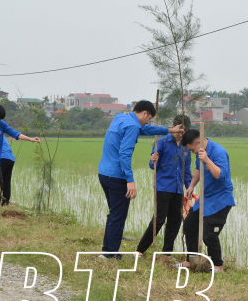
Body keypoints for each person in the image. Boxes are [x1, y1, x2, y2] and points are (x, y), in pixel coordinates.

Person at [97, 100, 184, 259]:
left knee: (114, 214)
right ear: (144, 113)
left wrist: (170, 130)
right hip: (117, 176)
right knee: (118, 215)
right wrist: (130, 180)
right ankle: (110, 254)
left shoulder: (120, 118)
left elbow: (147, 129)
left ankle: (107, 250)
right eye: (148, 118)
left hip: (104, 173)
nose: (147, 122)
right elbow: (124, 154)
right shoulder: (132, 126)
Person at [174, 129, 235, 273]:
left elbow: (219, 175)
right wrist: (191, 186)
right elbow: (198, 169)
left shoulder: (218, 152)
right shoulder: (199, 152)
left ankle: (218, 266)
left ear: (198, 142)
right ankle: (191, 260)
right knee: (189, 225)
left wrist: (207, 159)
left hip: (221, 199)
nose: (193, 152)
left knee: (209, 234)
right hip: (206, 198)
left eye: (192, 149)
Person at [135, 115, 193, 255]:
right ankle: (140, 250)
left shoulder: (186, 147)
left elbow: (187, 170)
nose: (180, 135)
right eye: (178, 131)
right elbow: (152, 165)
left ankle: (166, 253)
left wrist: (189, 187)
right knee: (159, 219)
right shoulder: (161, 142)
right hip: (163, 187)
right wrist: (153, 160)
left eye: (183, 132)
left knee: (175, 221)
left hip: (178, 189)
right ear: (173, 128)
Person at [0, 105, 40, 215]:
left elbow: (15, 133)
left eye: (0, 119)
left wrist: (30, 139)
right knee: (0, 182)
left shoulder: (1, 125)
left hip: (1, 159)